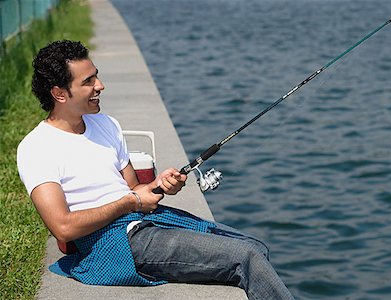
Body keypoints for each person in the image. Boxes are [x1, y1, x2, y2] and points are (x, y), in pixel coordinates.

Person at [17, 40, 294, 300]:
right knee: (247, 256)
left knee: (256, 246)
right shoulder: (37, 148)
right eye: (88, 81)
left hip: (144, 223)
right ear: (59, 93)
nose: (100, 85)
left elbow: (135, 190)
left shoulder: (106, 125)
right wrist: (131, 202)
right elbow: (62, 228)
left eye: (96, 76)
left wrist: (159, 185)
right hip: (115, 243)